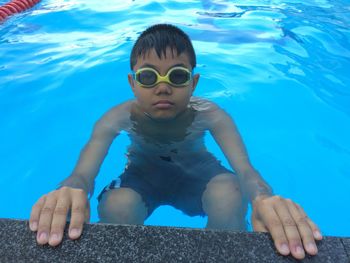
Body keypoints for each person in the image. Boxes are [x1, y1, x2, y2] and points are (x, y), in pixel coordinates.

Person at [29, 24, 322, 260]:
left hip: (198, 175)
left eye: (177, 75)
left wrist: (263, 197)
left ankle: (223, 254)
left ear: (193, 83)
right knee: (117, 204)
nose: (163, 86)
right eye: (148, 77)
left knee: (232, 191)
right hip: (143, 176)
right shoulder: (116, 117)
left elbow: (246, 171)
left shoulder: (211, 115)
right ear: (133, 83)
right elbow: (83, 173)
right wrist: (69, 190)